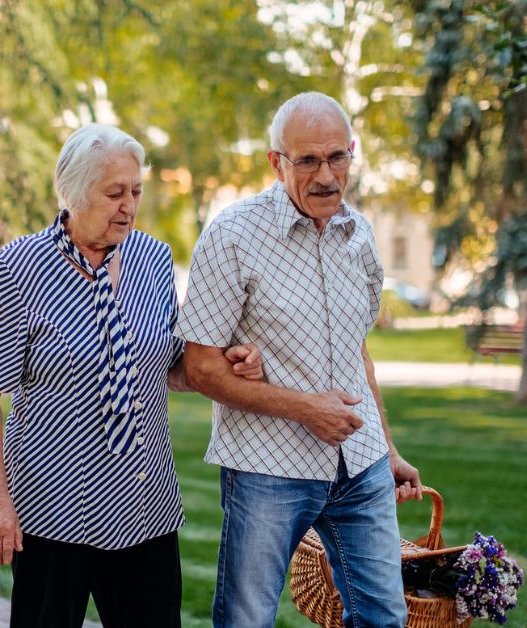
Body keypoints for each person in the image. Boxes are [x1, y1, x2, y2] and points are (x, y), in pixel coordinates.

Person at [0, 123, 264, 628]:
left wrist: (228, 360)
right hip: (50, 505)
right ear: (75, 193)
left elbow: (166, 363)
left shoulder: (152, 258)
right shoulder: (16, 268)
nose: (129, 205)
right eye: (114, 193)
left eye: (137, 191)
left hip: (143, 504)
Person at [177, 92, 423, 628]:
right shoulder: (233, 235)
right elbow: (199, 368)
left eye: (338, 157)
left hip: (361, 465)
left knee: (385, 618)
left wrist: (387, 445)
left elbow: (358, 349)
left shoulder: (358, 234)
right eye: (308, 160)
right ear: (276, 162)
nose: (327, 175)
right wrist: (305, 408)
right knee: (247, 619)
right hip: (268, 470)